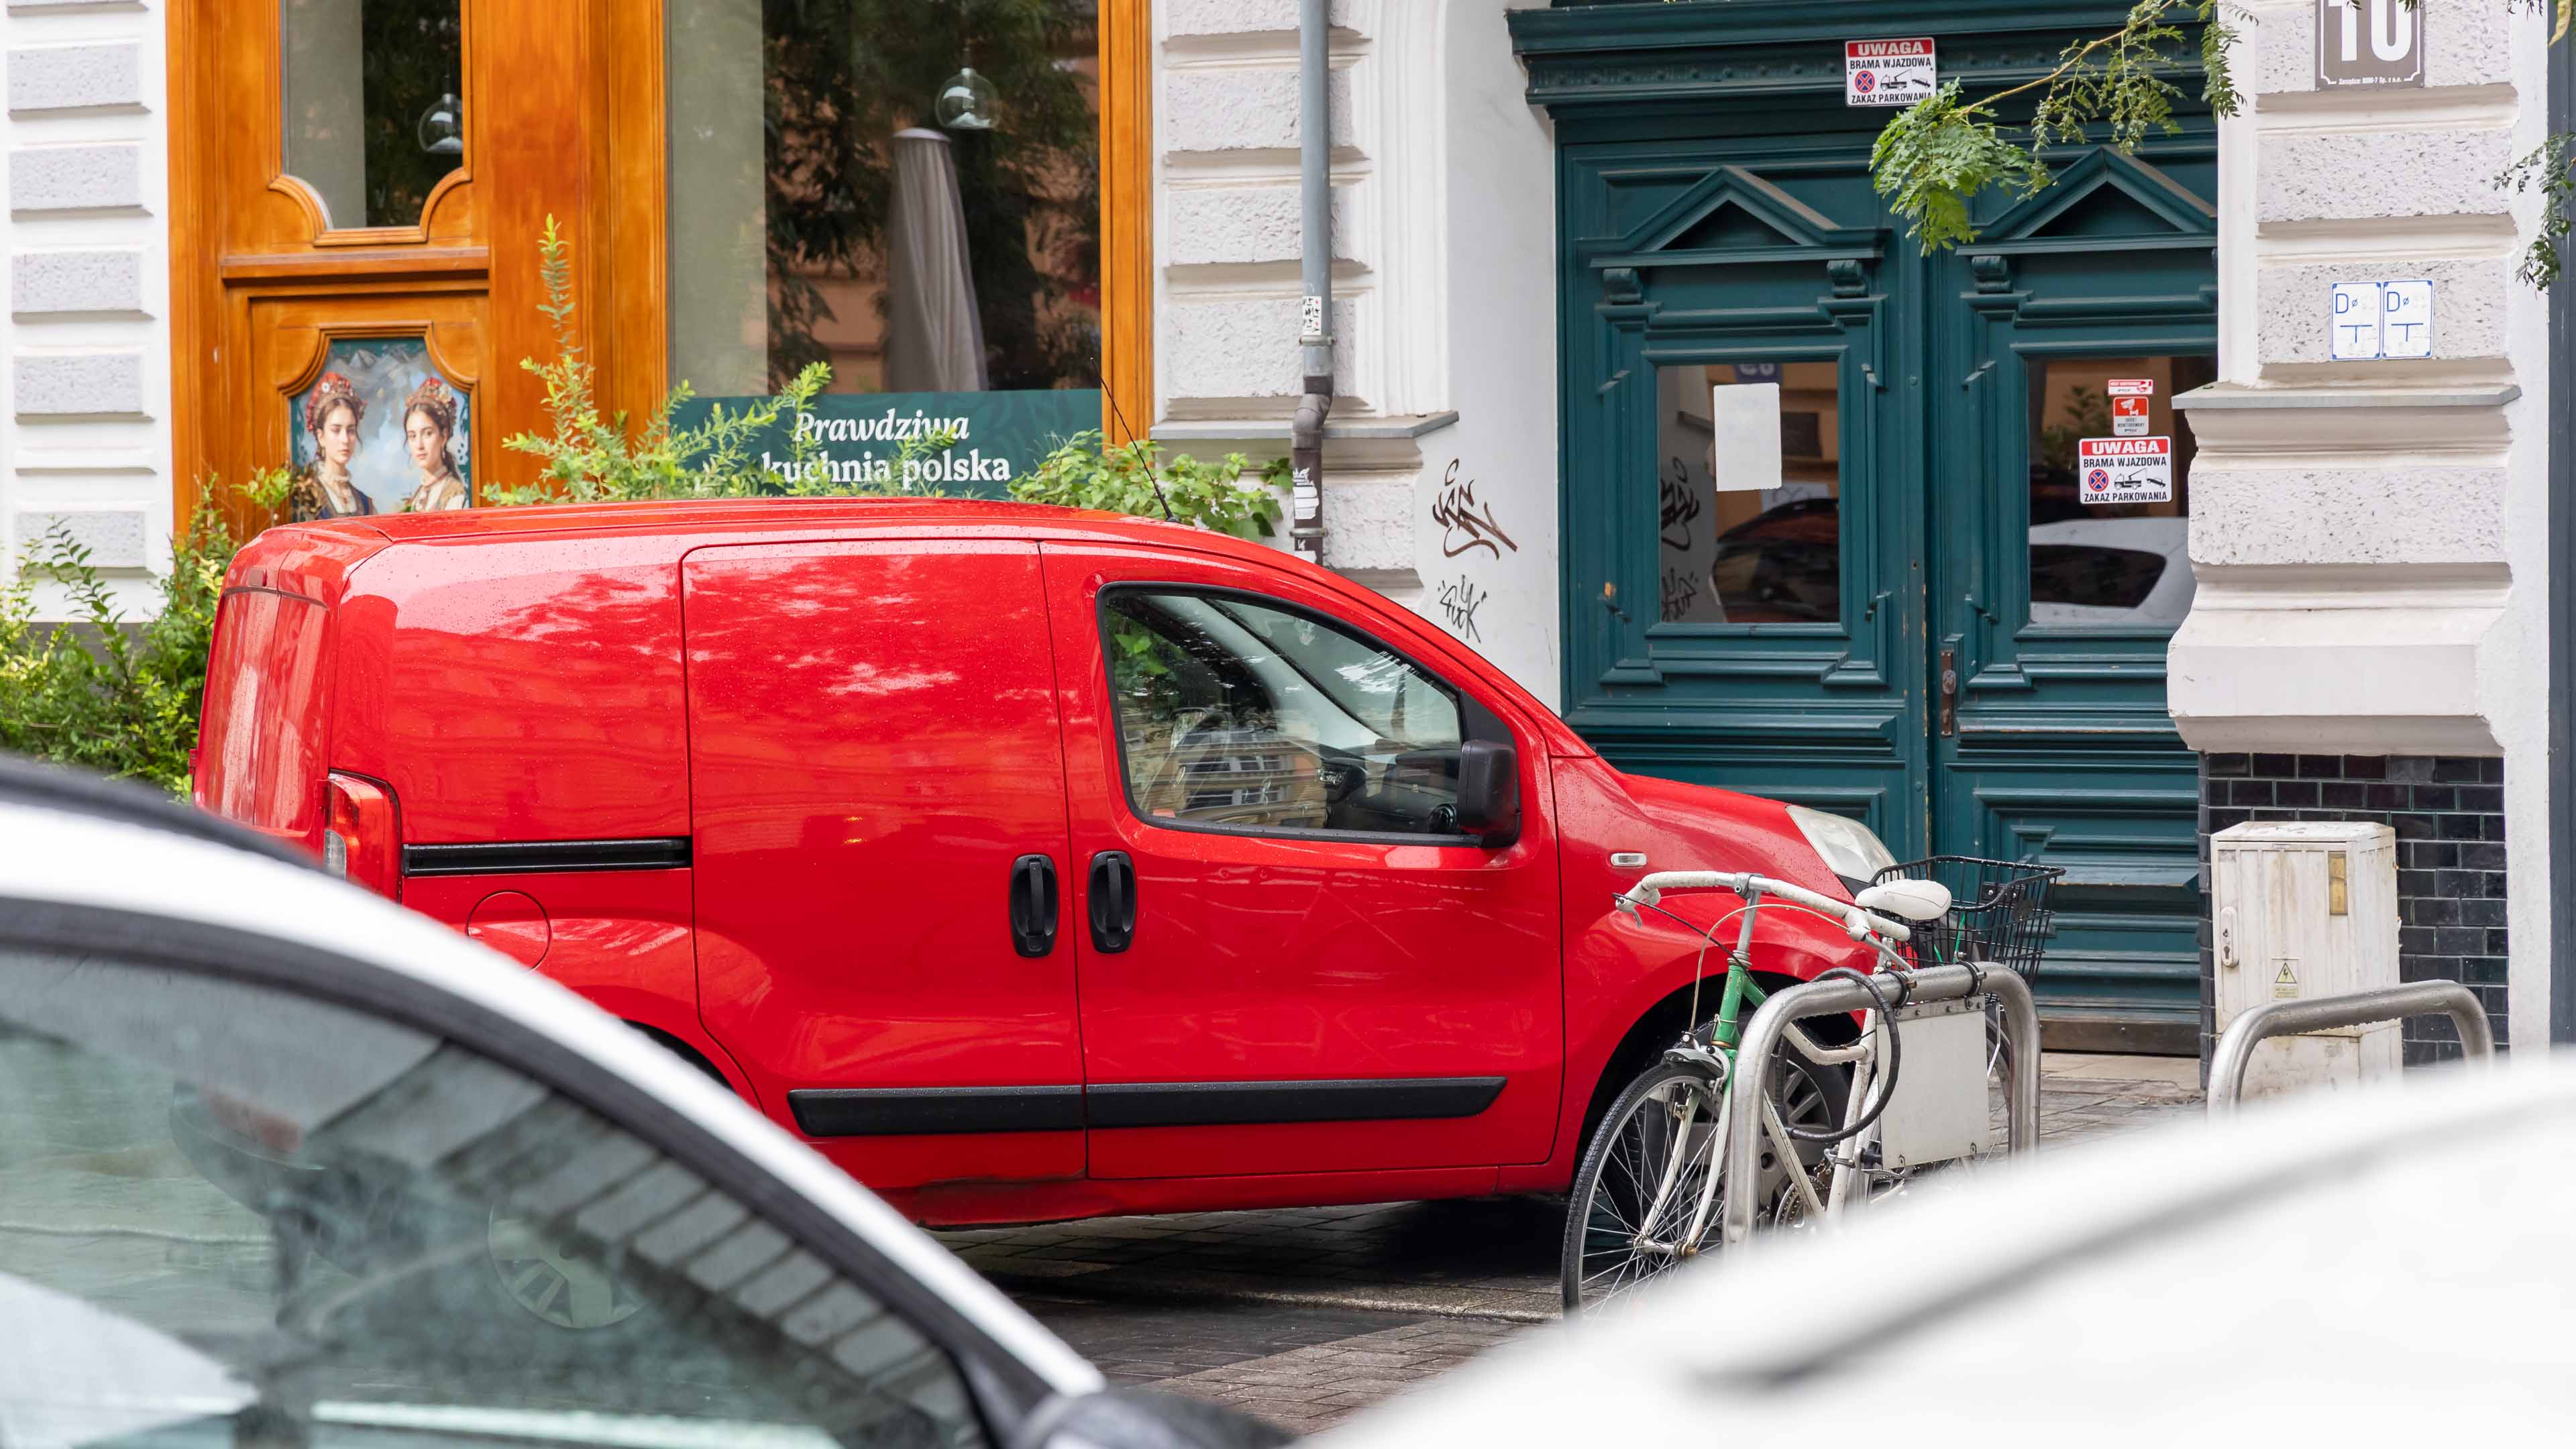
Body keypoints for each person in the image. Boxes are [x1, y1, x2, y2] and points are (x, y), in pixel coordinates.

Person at [292, 373, 372, 521]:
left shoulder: (365, 503)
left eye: (351, 430)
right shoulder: (306, 496)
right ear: (321, 436)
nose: (345, 439)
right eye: (336, 430)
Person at [398, 377, 470, 512]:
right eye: (413, 436)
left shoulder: (455, 496)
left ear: (444, 436)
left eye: (428, 433)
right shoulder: (419, 494)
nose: (419, 445)